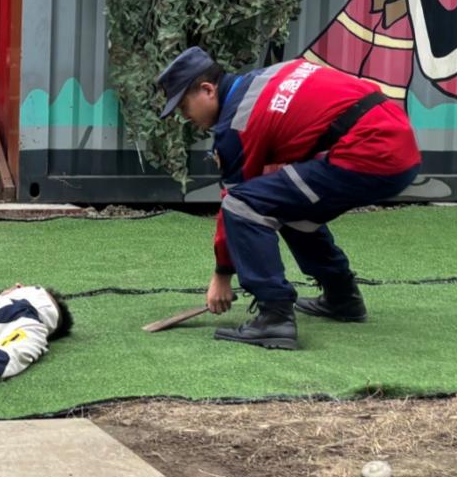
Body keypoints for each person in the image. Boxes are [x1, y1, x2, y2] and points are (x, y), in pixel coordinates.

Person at [156, 46, 421, 350]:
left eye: (184, 106)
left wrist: (222, 273)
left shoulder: (236, 124)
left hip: (371, 152)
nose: (184, 116)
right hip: (396, 141)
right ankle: (341, 296)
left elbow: (236, 199)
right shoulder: (262, 80)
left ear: (207, 90)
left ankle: (275, 316)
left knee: (242, 204)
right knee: (283, 200)